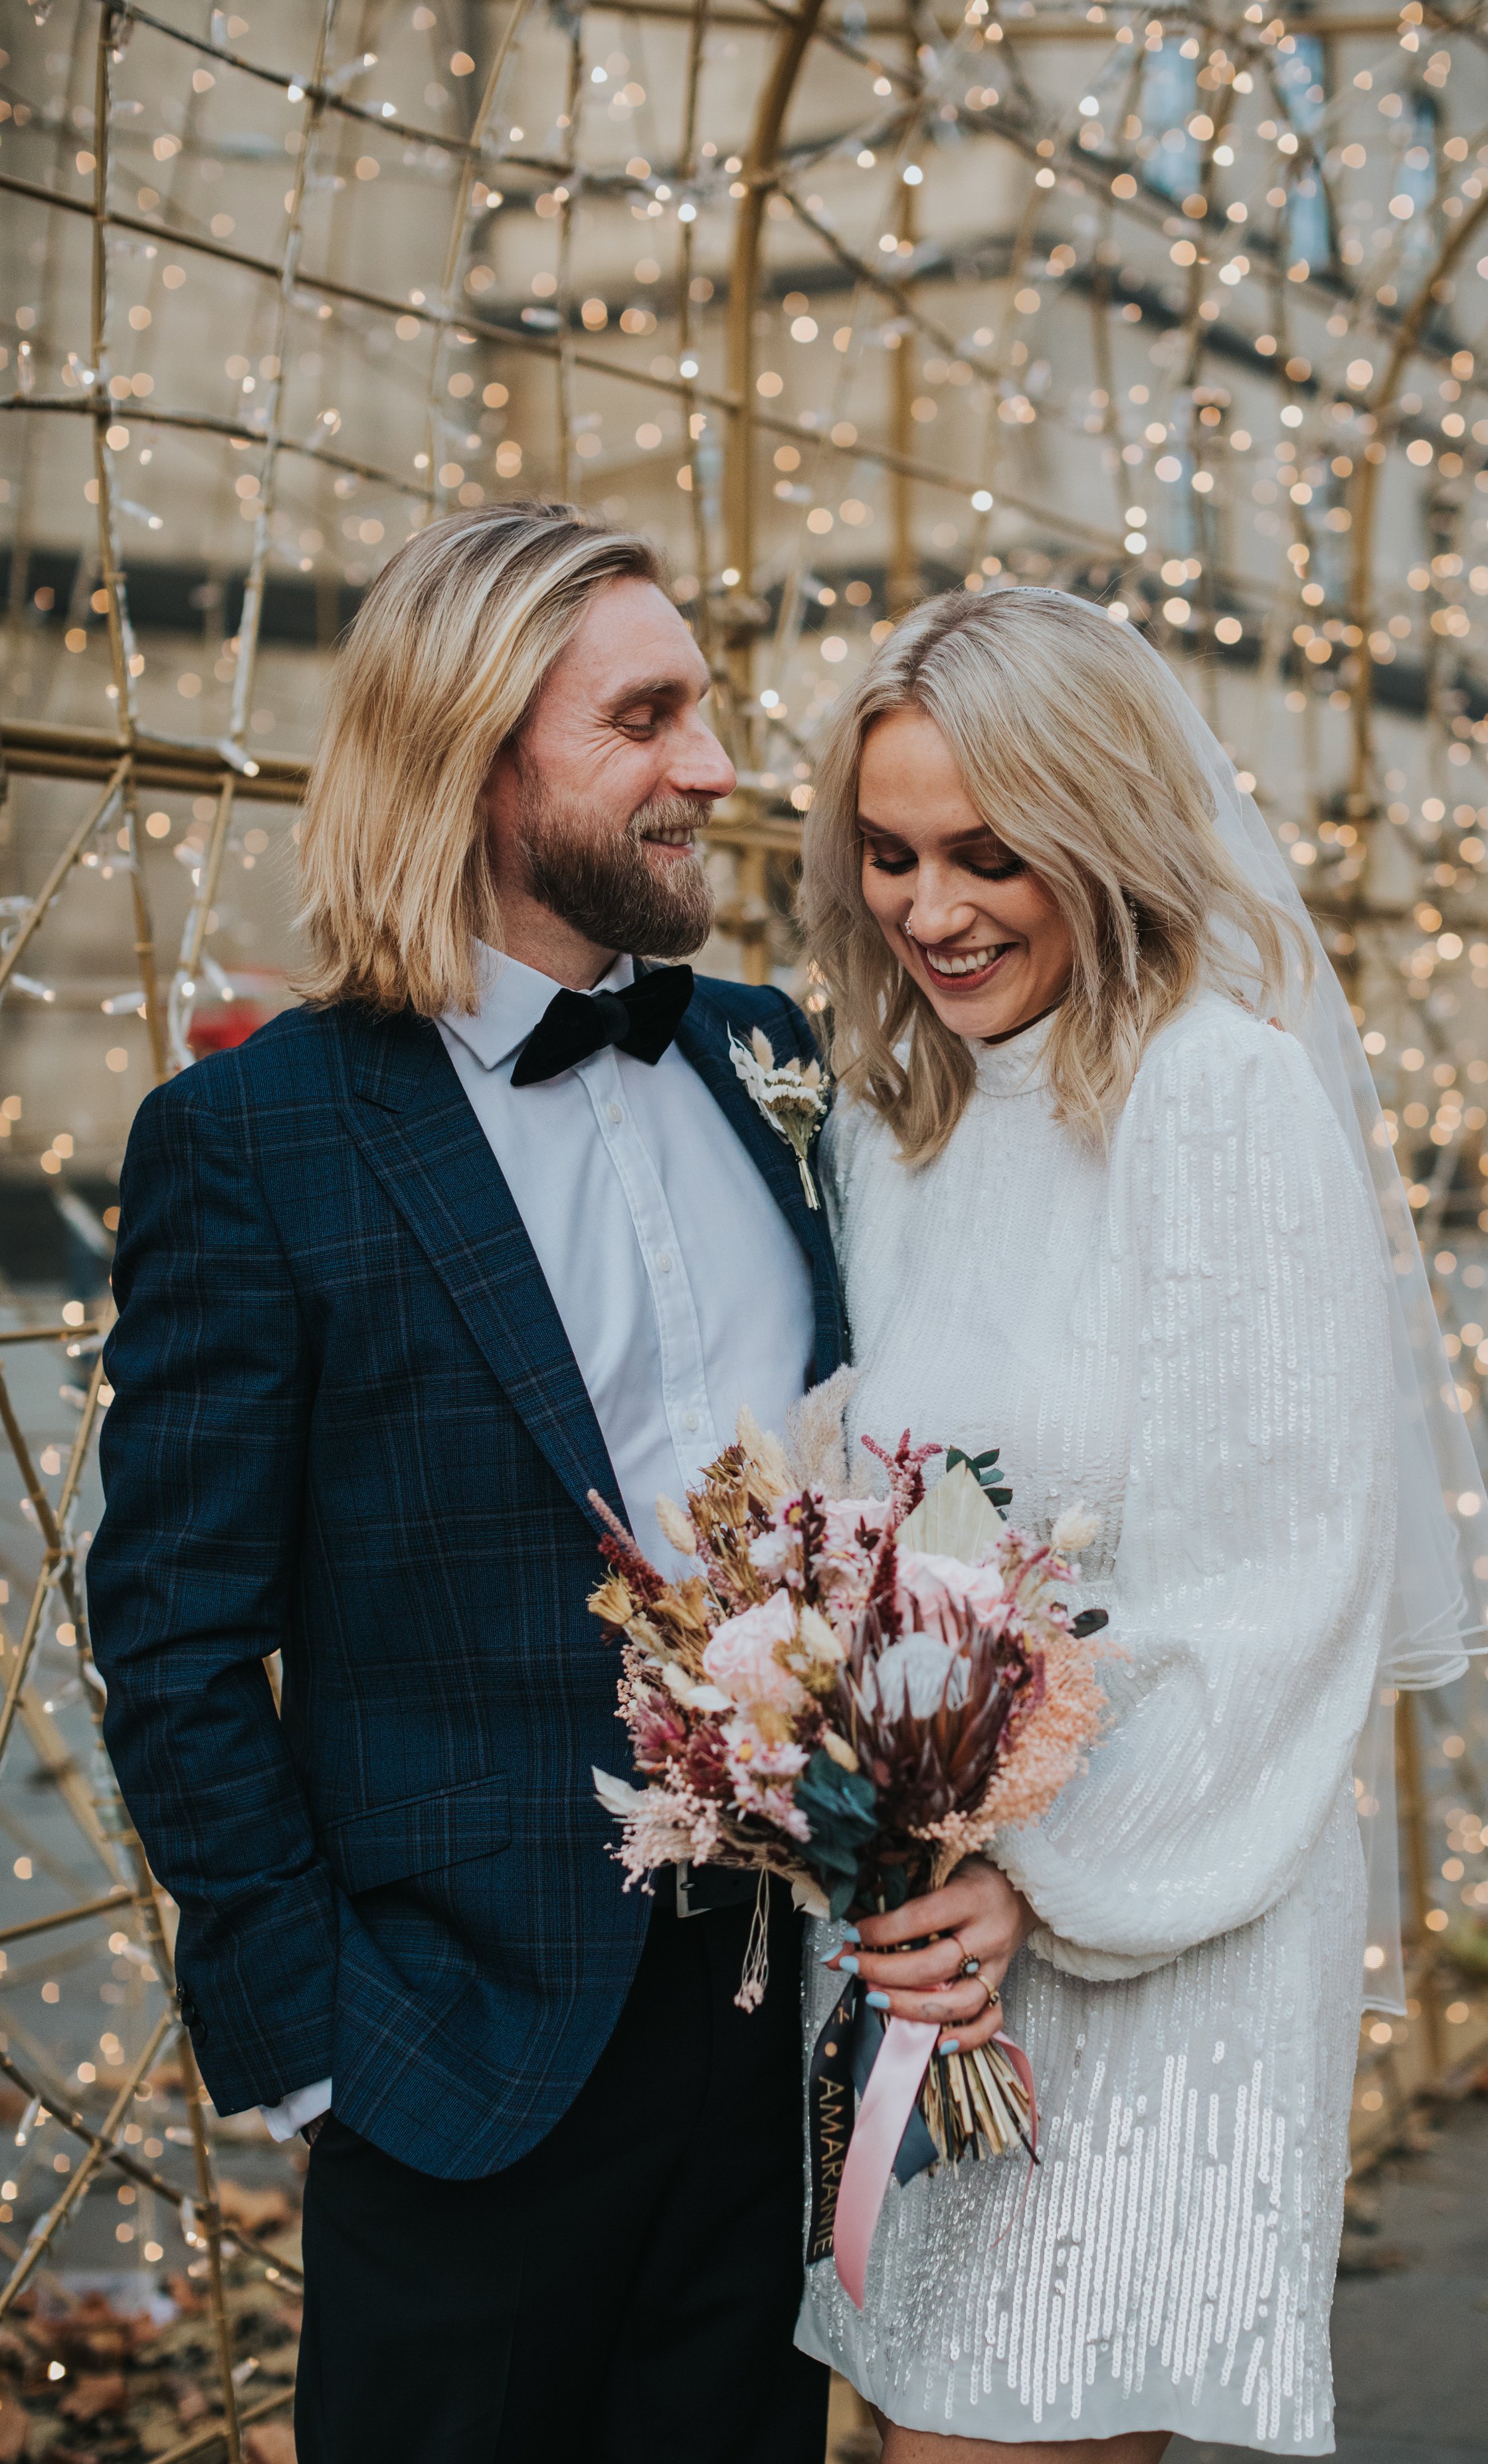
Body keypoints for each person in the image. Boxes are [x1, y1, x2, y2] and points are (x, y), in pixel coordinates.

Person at [86, 503, 837, 2464]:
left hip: (781, 2032)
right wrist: (320, 2049)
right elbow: (171, 1635)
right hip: (456, 2056)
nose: (714, 767)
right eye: (646, 718)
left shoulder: (774, 1061)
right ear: (477, 751)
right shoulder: (256, 1138)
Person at [793, 586, 1488, 2460]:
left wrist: (1036, 1874)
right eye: (886, 855)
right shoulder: (897, 1124)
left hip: (1159, 1909)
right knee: (904, 2425)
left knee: (1006, 2435)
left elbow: (1283, 1586)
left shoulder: (1218, 1097)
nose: (929, 909)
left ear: (1102, 838)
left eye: (987, 855)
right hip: (926, 1937)